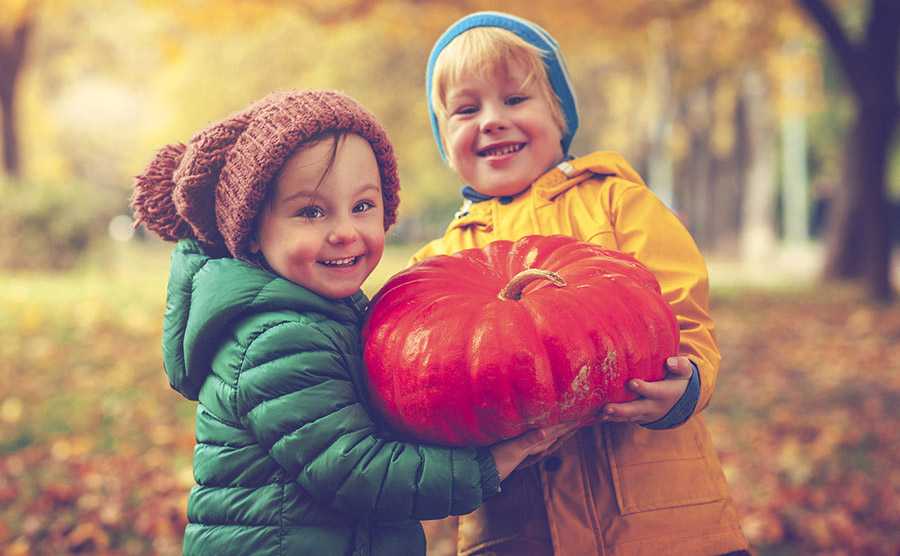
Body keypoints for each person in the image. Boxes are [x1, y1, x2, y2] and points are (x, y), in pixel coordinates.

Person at [131, 90, 576, 556]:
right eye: (311, 211)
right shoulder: (276, 338)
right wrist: (491, 461)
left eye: (362, 206)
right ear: (253, 233)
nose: (344, 230)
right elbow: (357, 472)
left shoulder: (322, 311)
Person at [415, 12, 751, 556]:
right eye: (467, 110)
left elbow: (681, 309)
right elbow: (427, 375)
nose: (493, 120)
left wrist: (687, 381)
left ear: (560, 116)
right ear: (445, 139)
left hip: (653, 511)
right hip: (517, 525)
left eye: (515, 100)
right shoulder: (443, 261)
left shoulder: (616, 201)